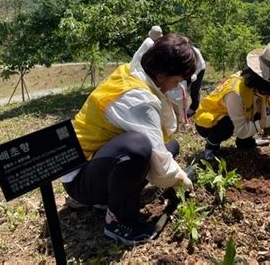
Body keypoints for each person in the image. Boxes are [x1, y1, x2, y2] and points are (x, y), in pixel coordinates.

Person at [61, 34, 196, 245]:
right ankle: (119, 223)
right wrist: (179, 179)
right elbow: (160, 165)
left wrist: (175, 174)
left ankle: (109, 198)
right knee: (138, 148)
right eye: (176, 80)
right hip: (79, 178)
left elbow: (161, 151)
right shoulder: (138, 100)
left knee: (171, 146)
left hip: (98, 161)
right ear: (161, 73)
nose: (175, 86)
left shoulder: (136, 72)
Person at [193, 42, 270, 160]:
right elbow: (241, 130)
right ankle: (211, 146)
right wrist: (266, 122)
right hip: (210, 122)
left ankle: (245, 143)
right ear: (264, 78)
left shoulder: (259, 86)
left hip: (239, 113)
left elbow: (268, 104)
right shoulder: (235, 94)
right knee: (227, 125)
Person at [187, 46, 206, 118]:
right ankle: (181, 108)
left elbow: (200, 65)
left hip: (200, 69)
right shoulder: (181, 50)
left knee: (195, 89)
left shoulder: (195, 51)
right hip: (190, 70)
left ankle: (193, 108)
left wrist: (195, 74)